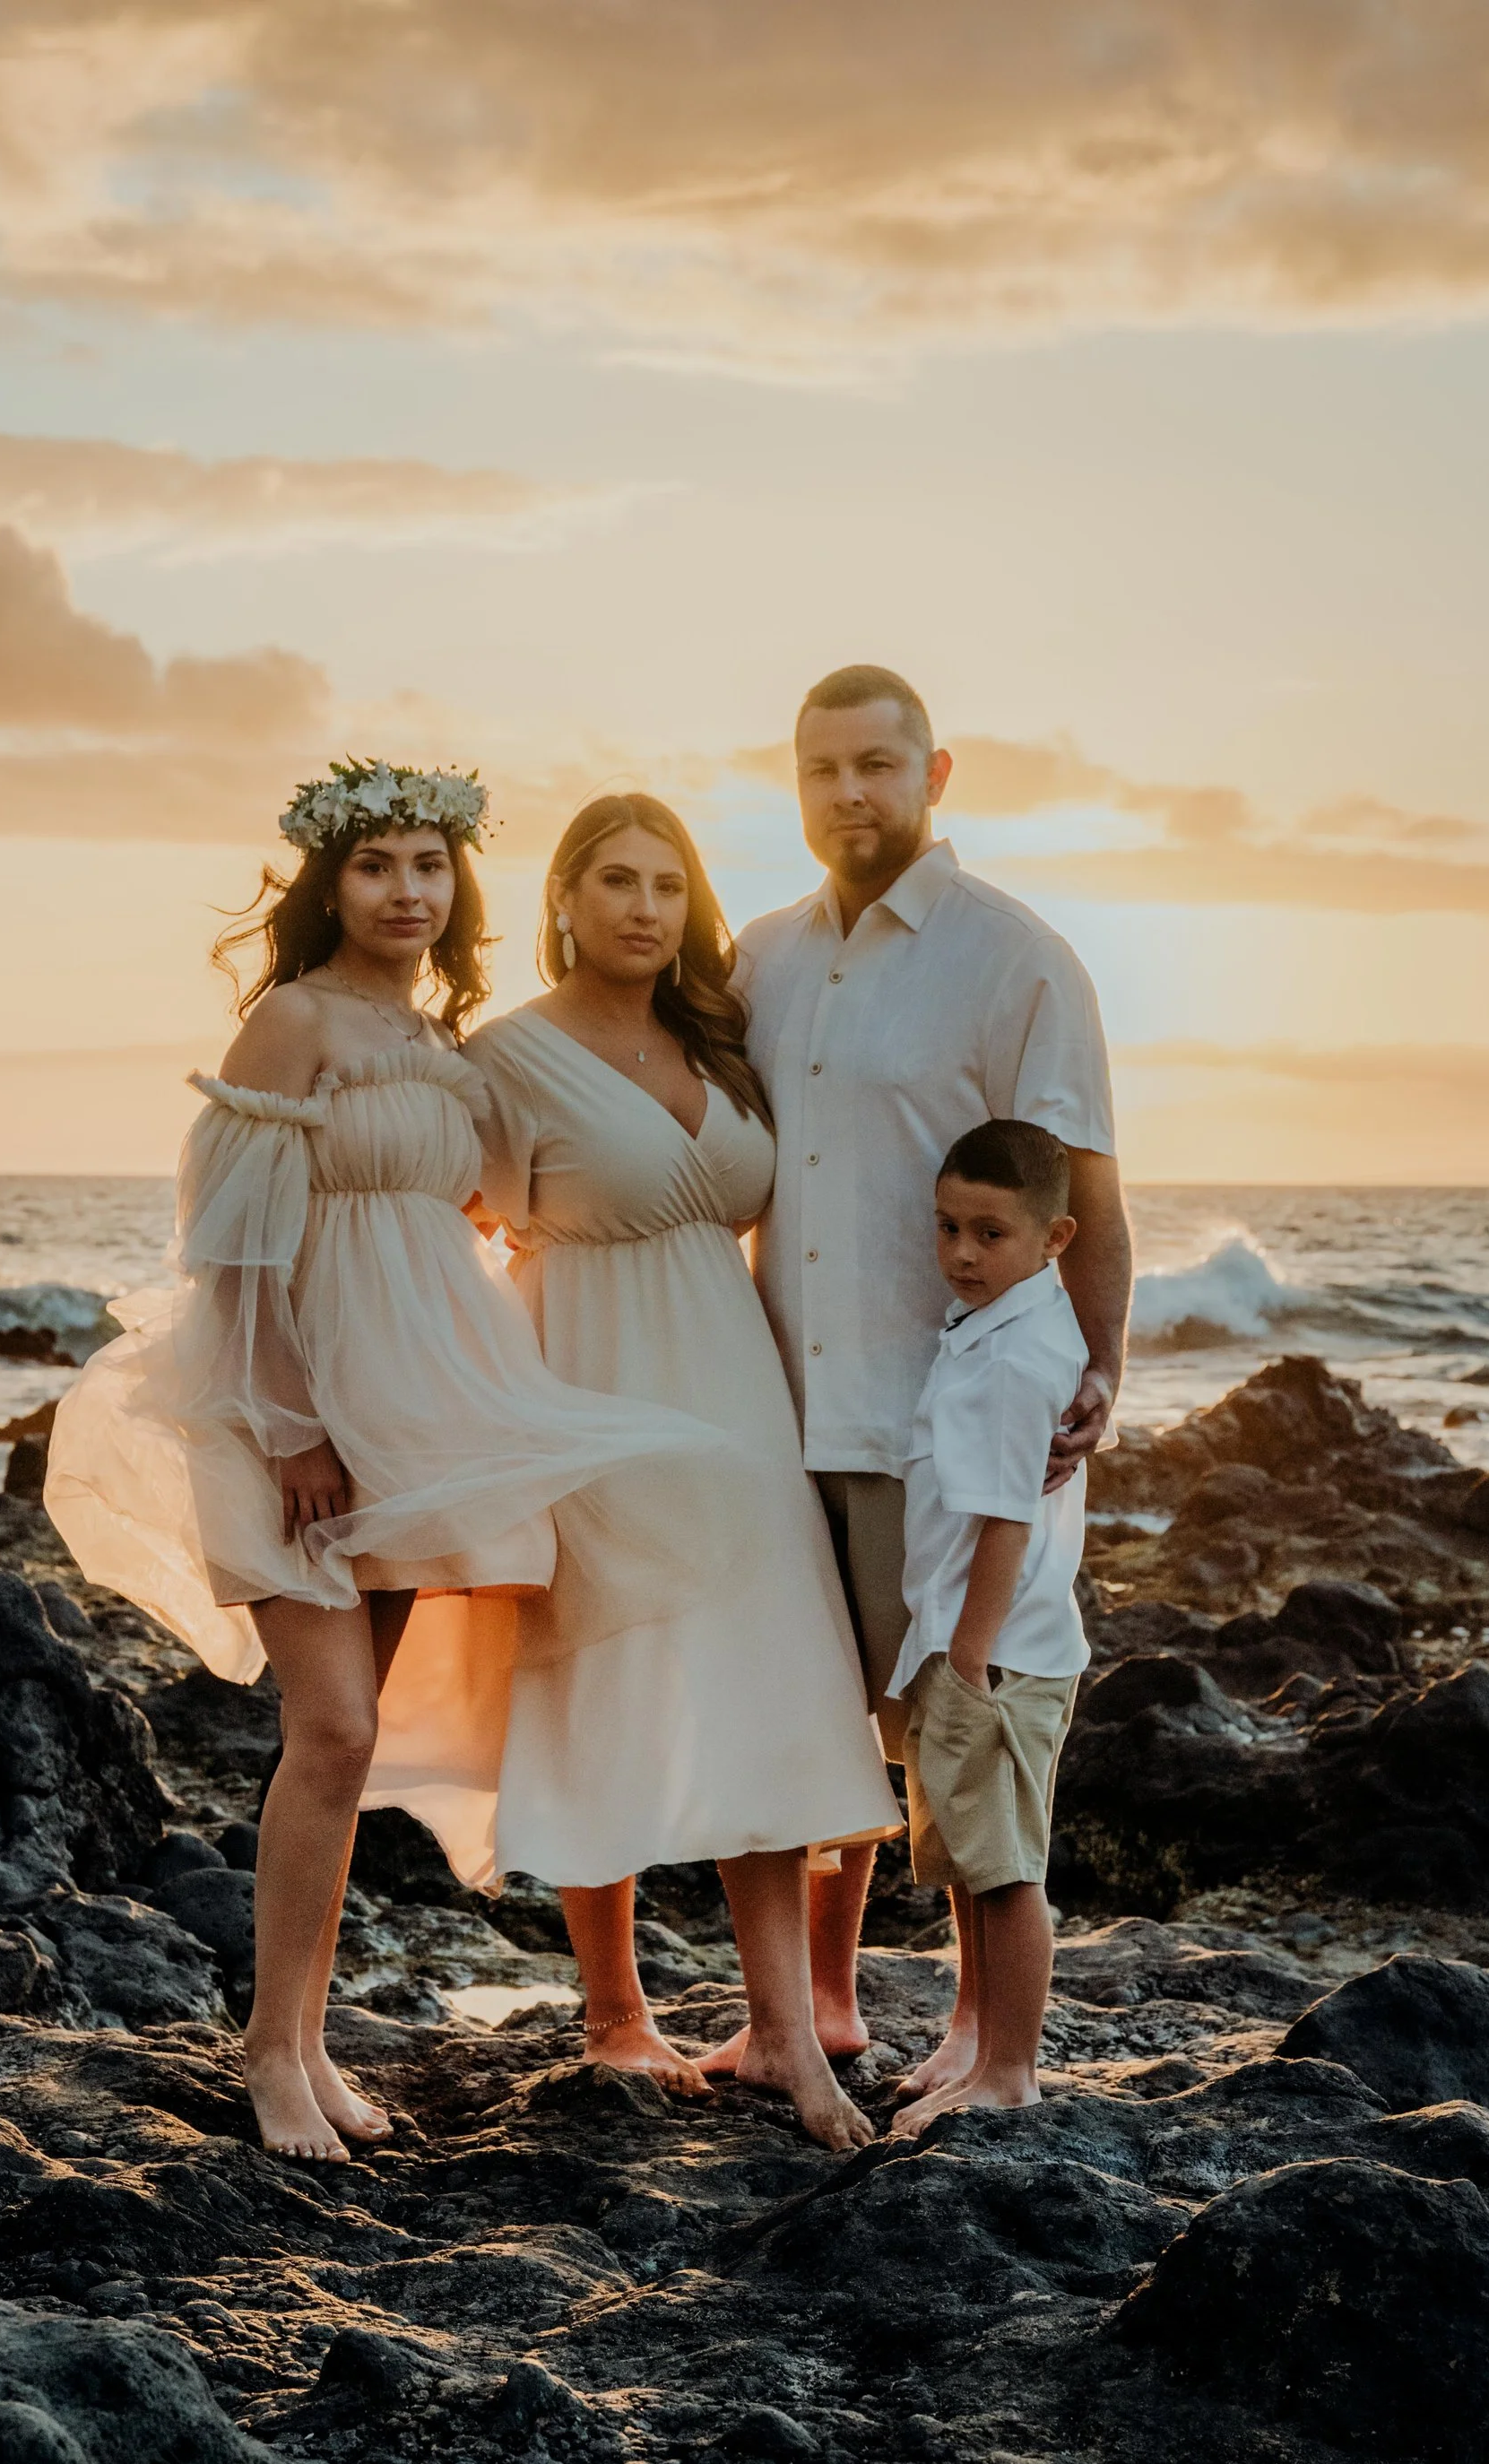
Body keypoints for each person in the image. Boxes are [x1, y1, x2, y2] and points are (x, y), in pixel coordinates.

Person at [45, 759, 721, 2166]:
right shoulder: (290, 1025)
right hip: (296, 1409)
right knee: (336, 1726)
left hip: (423, 1414)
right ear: (328, 883)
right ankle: (268, 2059)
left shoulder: (437, 1040)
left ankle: (305, 2040)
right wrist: (289, 1419)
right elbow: (228, 1243)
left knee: (343, 1757)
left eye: (430, 865)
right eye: (378, 866)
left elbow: (480, 1208)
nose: (408, 890)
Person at [467, 797, 899, 2155]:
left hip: (739, 1394)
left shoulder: (719, 1036)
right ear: (566, 897)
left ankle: (784, 2035)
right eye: (615, 881)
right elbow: (438, 1235)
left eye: (667, 883)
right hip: (591, 1390)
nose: (643, 907)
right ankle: (614, 2014)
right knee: (601, 1672)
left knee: (768, 1685)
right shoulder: (504, 1059)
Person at [736, 662, 1131, 2070]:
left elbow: (1087, 1182)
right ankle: (823, 2009)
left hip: (937, 1416)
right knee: (812, 1722)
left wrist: (1104, 1365)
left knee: (948, 1725)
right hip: (781, 1406)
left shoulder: (1014, 959)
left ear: (936, 775)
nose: (851, 794)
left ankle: (979, 2028)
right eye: (822, 769)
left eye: (878, 766)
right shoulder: (760, 955)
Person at [886, 1117, 1090, 2136]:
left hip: (995, 1651)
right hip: (965, 1638)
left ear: (1054, 1239)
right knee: (973, 1860)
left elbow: (1009, 1517)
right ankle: (988, 2057)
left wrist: (965, 1655)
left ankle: (1009, 2069)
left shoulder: (1018, 1356)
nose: (962, 1254)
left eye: (989, 1234)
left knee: (1007, 1870)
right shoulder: (994, 1327)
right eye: (947, 1228)